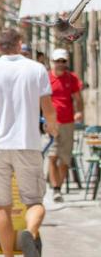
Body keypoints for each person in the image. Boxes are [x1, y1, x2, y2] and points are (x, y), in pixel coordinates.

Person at [0, 28, 57, 257]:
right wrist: (53, 129)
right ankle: (29, 233)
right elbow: (48, 108)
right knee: (34, 201)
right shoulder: (36, 69)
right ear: (20, 44)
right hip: (28, 142)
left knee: (2, 206)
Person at [47, 48, 83, 202]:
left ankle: (58, 187)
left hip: (68, 122)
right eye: (57, 61)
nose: (60, 64)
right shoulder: (46, 78)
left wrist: (79, 111)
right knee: (52, 156)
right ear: (52, 62)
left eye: (63, 61)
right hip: (52, 122)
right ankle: (56, 188)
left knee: (65, 159)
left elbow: (78, 98)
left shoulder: (72, 78)